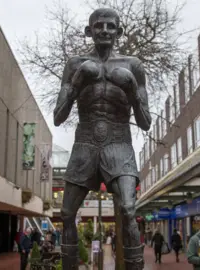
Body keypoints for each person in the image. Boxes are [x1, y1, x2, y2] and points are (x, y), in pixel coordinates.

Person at [53, 7, 151, 270]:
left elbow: (145, 122)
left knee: (128, 209)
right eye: (99, 26)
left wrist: (131, 88)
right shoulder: (75, 64)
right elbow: (58, 117)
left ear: (119, 32)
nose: (104, 31)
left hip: (119, 142)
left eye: (110, 26)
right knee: (66, 213)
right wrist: (76, 83)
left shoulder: (133, 66)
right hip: (85, 141)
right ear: (89, 31)